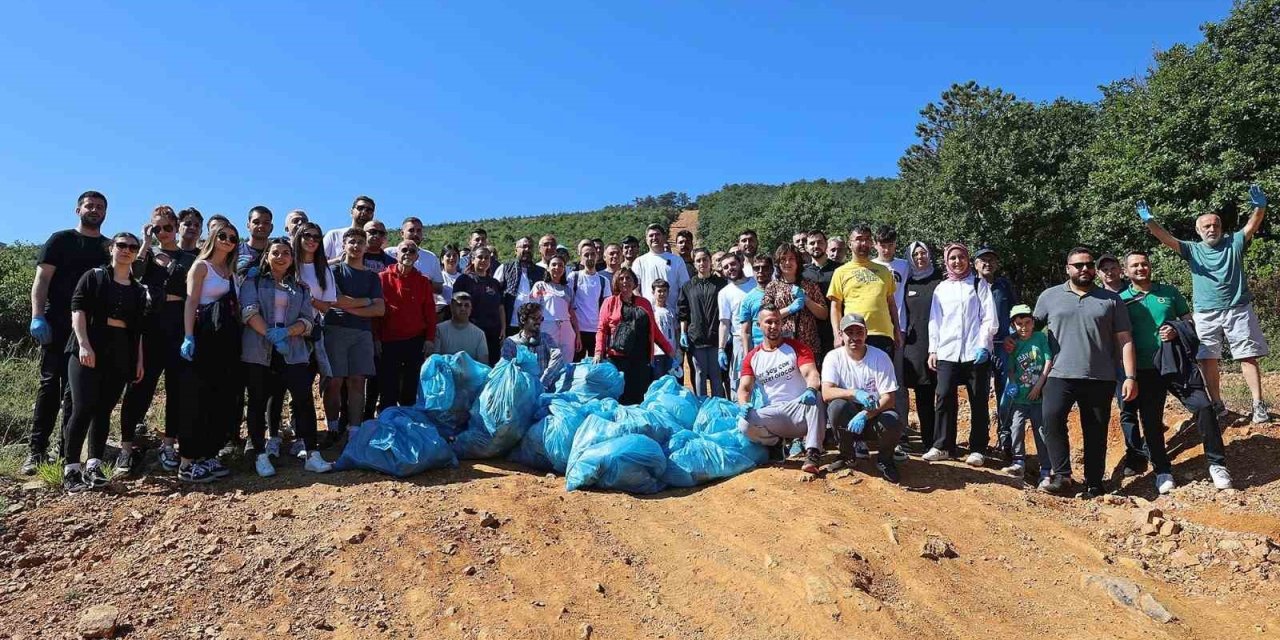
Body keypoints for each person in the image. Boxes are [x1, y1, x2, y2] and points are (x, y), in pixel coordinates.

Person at [1139, 187, 1270, 423]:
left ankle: (1258, 405)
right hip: (1206, 313)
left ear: (1221, 228)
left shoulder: (1234, 242)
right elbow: (1165, 238)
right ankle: (1218, 404)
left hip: (1238, 309)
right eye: (1206, 226)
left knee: (1247, 356)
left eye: (1215, 225)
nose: (1212, 229)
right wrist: (1150, 221)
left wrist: (1259, 207)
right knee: (1207, 358)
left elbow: (1253, 224)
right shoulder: (1192, 249)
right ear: (1198, 231)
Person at [1118, 250, 1232, 491]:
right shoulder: (1121, 299)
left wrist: (1174, 328)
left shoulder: (1169, 292)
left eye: (1144, 264)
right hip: (1145, 369)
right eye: (1135, 266)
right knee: (1150, 421)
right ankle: (1162, 470)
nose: (1141, 268)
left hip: (1178, 364)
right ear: (1126, 272)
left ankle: (1217, 464)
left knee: (1203, 407)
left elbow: (1190, 321)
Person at [1033, 247, 1137, 497]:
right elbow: (1031, 329)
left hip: (1099, 376)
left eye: (1088, 265)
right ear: (1067, 268)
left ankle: (1094, 482)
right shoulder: (1049, 296)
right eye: (1078, 265)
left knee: (1096, 431)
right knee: (1052, 421)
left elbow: (1125, 339)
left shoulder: (1111, 299)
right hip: (1058, 374)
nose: (1084, 269)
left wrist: (1131, 377)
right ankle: (1061, 475)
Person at [24, 191, 111, 475]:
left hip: (89, 331)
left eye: (100, 207)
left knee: (75, 393)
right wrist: (37, 316)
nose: (95, 210)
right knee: (50, 386)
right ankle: (36, 452)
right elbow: (42, 280)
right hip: (57, 324)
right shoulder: (60, 240)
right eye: (90, 206)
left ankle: (66, 453)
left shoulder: (108, 247)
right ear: (78, 210)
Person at [61, 232, 147, 491]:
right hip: (88, 347)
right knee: (83, 407)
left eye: (132, 247)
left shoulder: (137, 289)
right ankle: (71, 469)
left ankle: (94, 466)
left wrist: (139, 361)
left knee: (104, 410)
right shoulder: (94, 276)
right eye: (121, 245)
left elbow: (139, 330)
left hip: (121, 350)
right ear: (111, 248)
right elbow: (78, 310)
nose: (127, 250)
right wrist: (84, 344)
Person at [239, 237, 332, 477]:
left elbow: (308, 321)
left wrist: (287, 333)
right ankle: (260, 454)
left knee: (303, 400)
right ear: (267, 256)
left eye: (286, 253)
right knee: (259, 401)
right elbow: (249, 311)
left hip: (293, 352)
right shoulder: (253, 280)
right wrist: (270, 334)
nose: (280, 257)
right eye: (275, 252)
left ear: (292, 259)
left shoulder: (300, 288)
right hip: (259, 351)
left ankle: (312, 453)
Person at [119, 206, 197, 475]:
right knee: (140, 386)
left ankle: (168, 444)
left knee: (176, 390)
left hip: (178, 326)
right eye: (157, 228)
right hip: (150, 326)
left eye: (167, 227)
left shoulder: (191, 257)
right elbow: (135, 273)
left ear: (176, 226)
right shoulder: (146, 255)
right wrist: (145, 242)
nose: (163, 232)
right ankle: (126, 448)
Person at [179, 219, 243, 483]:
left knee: (220, 399)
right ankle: (187, 462)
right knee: (198, 398)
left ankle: (208, 455)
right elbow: (191, 302)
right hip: (204, 337)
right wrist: (188, 336)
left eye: (232, 238)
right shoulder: (201, 267)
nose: (228, 241)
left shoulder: (231, 271)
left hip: (226, 341)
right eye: (223, 236)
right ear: (213, 237)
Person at [923, 243, 997, 466]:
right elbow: (935, 321)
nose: (957, 262)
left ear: (968, 260)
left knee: (978, 400)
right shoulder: (941, 288)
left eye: (961, 257)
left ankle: (978, 448)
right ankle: (943, 445)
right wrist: (933, 349)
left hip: (975, 353)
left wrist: (984, 344)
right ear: (946, 261)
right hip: (948, 351)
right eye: (953, 258)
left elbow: (989, 317)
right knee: (944, 396)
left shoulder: (978, 284)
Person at [737, 305, 825, 474]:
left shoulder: (797, 348)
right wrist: (743, 404)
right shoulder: (752, 357)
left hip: (800, 409)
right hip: (774, 413)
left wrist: (811, 390)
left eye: (777, 322)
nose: (773, 326)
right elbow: (745, 388)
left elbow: (812, 374)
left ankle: (813, 451)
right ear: (759, 325)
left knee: (817, 397)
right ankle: (776, 444)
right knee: (744, 423)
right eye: (768, 322)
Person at [821, 313, 904, 483]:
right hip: (848, 415)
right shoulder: (833, 357)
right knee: (837, 407)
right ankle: (847, 455)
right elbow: (826, 393)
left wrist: (866, 414)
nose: (854, 337)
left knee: (893, 420)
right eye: (849, 333)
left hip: (874, 414)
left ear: (866, 333)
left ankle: (885, 460)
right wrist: (854, 393)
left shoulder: (880, 357)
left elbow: (889, 398)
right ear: (841, 335)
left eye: (859, 333)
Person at [322, 228, 385, 442]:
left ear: (366, 246)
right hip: (335, 329)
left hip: (362, 333)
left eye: (360, 242)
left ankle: (355, 431)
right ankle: (331, 428)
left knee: (358, 381)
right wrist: (366, 301)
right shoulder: (335, 271)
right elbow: (335, 300)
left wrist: (350, 306)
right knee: (334, 381)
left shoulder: (372, 277)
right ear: (344, 245)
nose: (356, 246)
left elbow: (380, 309)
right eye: (352, 242)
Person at [594, 267, 677, 404]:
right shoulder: (609, 302)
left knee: (639, 396)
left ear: (634, 282)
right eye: (621, 279)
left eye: (628, 278)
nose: (625, 281)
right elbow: (602, 329)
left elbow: (654, 330)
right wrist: (598, 352)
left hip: (641, 358)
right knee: (621, 396)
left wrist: (669, 350)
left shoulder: (644, 303)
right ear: (615, 282)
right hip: (617, 358)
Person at [377, 239, 437, 413]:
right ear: (396, 254)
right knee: (388, 388)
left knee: (410, 389)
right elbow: (375, 313)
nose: (407, 254)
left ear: (417, 257)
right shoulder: (382, 278)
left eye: (412, 252)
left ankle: (407, 428)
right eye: (404, 250)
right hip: (388, 341)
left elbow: (430, 313)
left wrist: (430, 339)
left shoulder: (423, 281)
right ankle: (387, 426)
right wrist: (375, 338)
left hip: (415, 341)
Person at [999, 305, 1053, 480]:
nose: (1023, 327)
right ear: (1014, 325)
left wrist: (1039, 385)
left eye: (1027, 322)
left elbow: (1048, 361)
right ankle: (1018, 461)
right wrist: (1013, 383)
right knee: (1016, 427)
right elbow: (1011, 369)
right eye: (1019, 323)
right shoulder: (1014, 344)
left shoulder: (1040, 338)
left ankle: (1046, 468)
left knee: (1041, 431)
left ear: (1033, 322)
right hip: (1020, 397)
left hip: (1038, 396)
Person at [973, 246, 1018, 456]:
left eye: (991, 260)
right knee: (978, 393)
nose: (987, 263)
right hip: (978, 347)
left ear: (997, 264)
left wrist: (1014, 336)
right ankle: (979, 440)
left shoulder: (1004, 286)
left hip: (1002, 345)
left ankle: (1005, 437)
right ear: (975, 264)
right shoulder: (970, 285)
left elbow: (1015, 313)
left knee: (1005, 392)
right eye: (983, 260)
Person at [828, 224, 900, 356]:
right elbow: (835, 307)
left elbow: (891, 304)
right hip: (853, 334)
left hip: (883, 334)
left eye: (867, 239)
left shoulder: (884, 271)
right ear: (850, 244)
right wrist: (837, 335)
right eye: (859, 239)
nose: (864, 243)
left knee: (883, 376)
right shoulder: (840, 272)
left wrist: (897, 331)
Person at [902, 241, 943, 448]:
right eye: (916, 254)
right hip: (915, 346)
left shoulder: (941, 280)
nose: (920, 257)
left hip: (942, 343)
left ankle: (945, 440)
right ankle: (929, 441)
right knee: (923, 393)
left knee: (944, 393)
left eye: (923, 253)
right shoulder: (907, 284)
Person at [763, 243, 828, 356]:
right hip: (782, 345)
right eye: (783, 259)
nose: (787, 262)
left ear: (797, 262)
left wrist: (807, 300)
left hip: (808, 345)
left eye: (791, 258)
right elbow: (766, 317)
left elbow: (824, 314)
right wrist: (789, 309)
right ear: (778, 263)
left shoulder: (810, 284)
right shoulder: (772, 286)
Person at [679, 248, 727, 398]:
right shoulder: (688, 286)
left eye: (705, 259)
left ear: (710, 262)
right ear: (694, 264)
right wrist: (683, 333)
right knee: (699, 373)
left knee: (716, 375)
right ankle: (702, 407)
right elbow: (683, 312)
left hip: (716, 337)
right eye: (698, 260)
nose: (702, 263)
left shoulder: (721, 284)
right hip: (697, 337)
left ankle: (718, 407)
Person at [454, 246, 506, 365]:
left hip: (493, 333)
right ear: (472, 259)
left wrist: (503, 328)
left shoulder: (494, 283)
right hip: (471, 332)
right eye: (480, 257)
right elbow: (456, 306)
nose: (483, 260)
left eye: (487, 258)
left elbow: (501, 307)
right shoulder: (463, 280)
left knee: (492, 367)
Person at [717, 252, 757, 397]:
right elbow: (724, 323)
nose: (730, 268)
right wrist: (721, 349)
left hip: (761, 338)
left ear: (740, 263)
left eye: (733, 264)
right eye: (726, 267)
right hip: (739, 341)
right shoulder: (724, 293)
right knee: (740, 380)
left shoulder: (756, 283)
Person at [503, 302, 566, 390]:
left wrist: (544, 381)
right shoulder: (511, 342)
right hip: (520, 390)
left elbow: (558, 356)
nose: (538, 322)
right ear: (523, 319)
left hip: (543, 389)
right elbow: (505, 368)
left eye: (540, 318)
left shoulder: (546, 338)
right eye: (534, 318)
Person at [388, 217, 446, 311]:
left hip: (420, 310)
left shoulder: (431, 258)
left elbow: (439, 288)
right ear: (402, 233)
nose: (415, 234)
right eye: (411, 230)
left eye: (419, 231)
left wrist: (421, 282)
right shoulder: (388, 253)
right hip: (393, 309)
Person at [530, 254, 581, 357]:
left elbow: (572, 314)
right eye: (554, 265)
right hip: (546, 327)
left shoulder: (568, 289)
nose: (557, 268)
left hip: (566, 329)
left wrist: (578, 335)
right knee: (545, 360)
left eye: (560, 265)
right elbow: (532, 311)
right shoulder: (540, 286)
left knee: (566, 361)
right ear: (548, 268)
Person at [496, 236, 547, 338]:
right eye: (524, 247)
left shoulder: (541, 272)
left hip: (534, 325)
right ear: (516, 250)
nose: (527, 250)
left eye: (530, 247)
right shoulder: (504, 268)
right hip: (510, 324)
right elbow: (496, 294)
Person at [568, 242, 611, 358]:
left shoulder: (604, 281)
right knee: (576, 367)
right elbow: (569, 304)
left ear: (597, 256)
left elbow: (606, 308)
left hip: (597, 331)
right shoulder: (573, 277)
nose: (590, 257)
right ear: (581, 257)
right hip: (578, 331)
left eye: (593, 254)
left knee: (596, 368)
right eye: (586, 255)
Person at [804, 230, 842, 356]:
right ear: (806, 247)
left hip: (836, 330)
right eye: (812, 243)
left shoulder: (840, 269)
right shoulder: (801, 273)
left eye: (820, 242)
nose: (816, 246)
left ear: (826, 245)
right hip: (810, 331)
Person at [736, 254, 775, 352]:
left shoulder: (781, 292)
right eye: (757, 268)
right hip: (759, 350)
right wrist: (747, 357)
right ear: (753, 271)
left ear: (772, 270)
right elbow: (746, 332)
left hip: (782, 348)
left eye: (765, 267)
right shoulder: (747, 299)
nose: (760, 271)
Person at [436, 292, 489, 362]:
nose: (463, 308)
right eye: (459, 305)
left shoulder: (479, 334)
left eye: (466, 305)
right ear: (451, 307)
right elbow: (434, 361)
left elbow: (483, 365)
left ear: (471, 309)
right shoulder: (439, 330)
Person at [323, 195, 376, 260]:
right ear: (351, 211)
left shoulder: (374, 241)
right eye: (360, 208)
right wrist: (340, 260)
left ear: (373, 215)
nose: (364, 212)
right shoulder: (334, 235)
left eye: (369, 210)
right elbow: (318, 264)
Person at [650, 280, 680, 377]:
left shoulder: (671, 311)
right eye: (659, 291)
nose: (662, 294)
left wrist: (678, 348)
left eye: (664, 291)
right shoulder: (652, 311)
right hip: (657, 352)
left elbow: (676, 330)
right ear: (653, 292)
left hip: (671, 352)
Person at [236, 206, 273, 279]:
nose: (261, 226)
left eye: (266, 223)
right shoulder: (235, 250)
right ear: (248, 225)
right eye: (256, 222)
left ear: (271, 227)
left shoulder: (278, 254)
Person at [440, 243, 463, 320]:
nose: (452, 258)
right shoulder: (437, 277)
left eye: (455, 255)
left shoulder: (464, 278)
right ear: (442, 259)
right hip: (442, 317)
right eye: (448, 255)